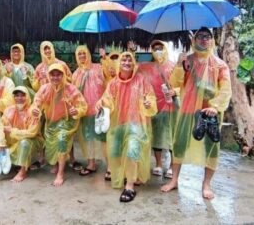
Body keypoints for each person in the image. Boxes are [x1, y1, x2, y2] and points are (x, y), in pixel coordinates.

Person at [160, 27, 232, 200]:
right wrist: (180, 65)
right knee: (179, 144)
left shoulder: (219, 64)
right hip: (187, 110)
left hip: (210, 113)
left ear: (212, 40)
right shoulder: (187, 61)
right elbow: (174, 83)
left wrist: (215, 106)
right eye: (200, 36)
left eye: (207, 36)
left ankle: (206, 185)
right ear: (194, 40)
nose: (203, 39)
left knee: (211, 148)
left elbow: (226, 89)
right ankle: (174, 180)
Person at [95, 52, 157, 203]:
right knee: (115, 152)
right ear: (119, 63)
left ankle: (129, 186)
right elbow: (107, 99)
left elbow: (150, 97)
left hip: (136, 124)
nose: (127, 62)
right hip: (119, 124)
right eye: (124, 59)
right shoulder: (114, 82)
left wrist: (149, 103)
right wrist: (101, 103)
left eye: (130, 59)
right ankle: (126, 176)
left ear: (134, 63)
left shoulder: (141, 80)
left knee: (132, 150)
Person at [31, 63, 87, 187]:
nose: (55, 77)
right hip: (51, 122)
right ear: (49, 76)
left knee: (61, 141)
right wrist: (35, 109)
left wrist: (76, 110)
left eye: (58, 74)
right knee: (52, 145)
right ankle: (57, 165)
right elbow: (36, 102)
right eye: (52, 74)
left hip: (66, 122)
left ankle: (60, 173)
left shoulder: (71, 89)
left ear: (63, 75)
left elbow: (82, 105)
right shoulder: (45, 88)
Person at [138, 40, 178, 179]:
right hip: (154, 106)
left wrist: (175, 91)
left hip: (171, 106)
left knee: (172, 136)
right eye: (155, 48)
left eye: (160, 48)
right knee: (157, 136)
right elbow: (133, 70)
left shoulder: (174, 66)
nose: (158, 50)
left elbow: (184, 84)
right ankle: (159, 164)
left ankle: (173, 166)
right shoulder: (147, 67)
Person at [72, 45, 108, 177]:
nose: (82, 56)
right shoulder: (76, 74)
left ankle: (110, 167)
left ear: (88, 54)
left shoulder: (98, 67)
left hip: (100, 109)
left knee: (103, 137)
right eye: (79, 54)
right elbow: (73, 92)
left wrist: (105, 58)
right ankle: (91, 163)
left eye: (84, 53)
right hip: (85, 111)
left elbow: (110, 76)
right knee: (88, 138)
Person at [0, 86, 44, 182]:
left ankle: (23, 171)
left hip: (33, 140)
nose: (19, 98)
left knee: (24, 143)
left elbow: (32, 133)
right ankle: (5, 162)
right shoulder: (9, 110)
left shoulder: (33, 112)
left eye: (23, 95)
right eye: (17, 95)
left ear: (27, 97)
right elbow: (1, 126)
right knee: (0, 140)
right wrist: (1, 141)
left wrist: (13, 131)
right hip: (15, 140)